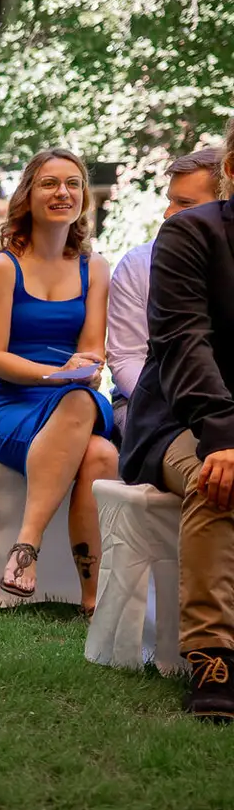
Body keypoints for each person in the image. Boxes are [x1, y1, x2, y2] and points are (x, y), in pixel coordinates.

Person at [0, 146, 117, 610]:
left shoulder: (96, 269)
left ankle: (91, 601)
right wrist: (57, 375)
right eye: (50, 183)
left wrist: (80, 370)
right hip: (6, 406)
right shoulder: (1, 267)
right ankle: (27, 547)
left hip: (70, 399)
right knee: (93, 437)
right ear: (28, 195)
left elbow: (93, 348)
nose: (63, 193)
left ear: (83, 199)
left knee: (100, 452)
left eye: (73, 184)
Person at [121, 120, 234, 719]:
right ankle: (212, 656)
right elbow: (186, 349)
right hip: (180, 419)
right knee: (219, 479)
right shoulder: (191, 235)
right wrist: (225, 440)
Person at [105, 146, 224, 407]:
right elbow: (126, 358)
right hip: (146, 403)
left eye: (185, 203)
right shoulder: (138, 265)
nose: (167, 213)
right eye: (170, 200)